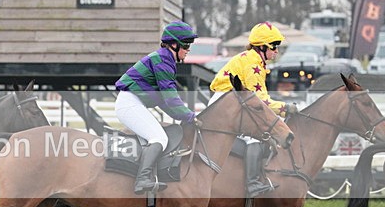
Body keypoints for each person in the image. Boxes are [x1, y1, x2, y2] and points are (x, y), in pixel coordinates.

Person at [209, 21, 295, 197]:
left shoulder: (254, 60)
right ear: (262, 46)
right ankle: (253, 184)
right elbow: (261, 102)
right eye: (274, 46)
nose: (277, 50)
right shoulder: (252, 64)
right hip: (226, 105)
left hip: (229, 101)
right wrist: (286, 107)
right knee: (254, 138)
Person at [114, 21, 198, 194]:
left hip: (132, 102)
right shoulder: (163, 61)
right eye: (186, 44)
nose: (188, 49)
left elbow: (164, 101)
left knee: (154, 139)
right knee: (159, 138)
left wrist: (185, 116)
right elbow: (171, 98)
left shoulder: (164, 59)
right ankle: (142, 180)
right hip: (130, 104)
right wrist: (190, 116)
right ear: (173, 45)